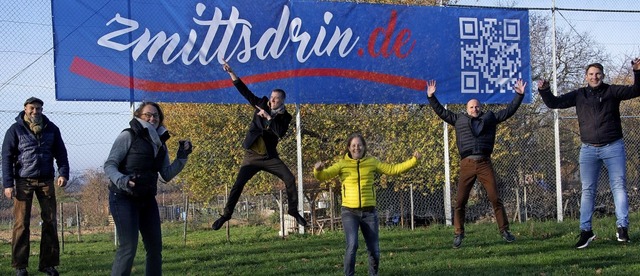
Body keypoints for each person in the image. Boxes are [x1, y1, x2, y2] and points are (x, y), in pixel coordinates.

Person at [538, 59, 640, 249]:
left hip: (613, 147)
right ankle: (586, 232)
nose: (594, 77)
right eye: (591, 74)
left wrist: (637, 71)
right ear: (586, 77)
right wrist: (544, 89)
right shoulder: (579, 95)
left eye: (598, 74)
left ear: (603, 76)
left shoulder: (612, 91)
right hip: (588, 150)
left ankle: (622, 228)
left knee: (618, 187)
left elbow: (636, 90)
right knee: (587, 191)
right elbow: (554, 103)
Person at [426, 79, 526, 248]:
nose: (475, 109)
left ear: (481, 108)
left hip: (484, 163)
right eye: (471, 107)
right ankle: (458, 233)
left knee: (495, 198)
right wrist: (431, 96)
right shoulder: (458, 120)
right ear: (467, 109)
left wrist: (519, 95)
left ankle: (505, 231)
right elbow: (441, 112)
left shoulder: (490, 118)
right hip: (466, 164)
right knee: (460, 201)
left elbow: (508, 111)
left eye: (477, 106)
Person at [212, 62, 307, 230]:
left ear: (282, 101)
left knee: (290, 178)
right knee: (238, 184)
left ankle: (293, 210)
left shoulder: (285, 117)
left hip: (270, 156)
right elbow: (245, 92)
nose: (272, 100)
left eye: (276, 99)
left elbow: (280, 133)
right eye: (271, 97)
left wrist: (269, 118)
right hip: (252, 155)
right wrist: (232, 73)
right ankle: (226, 215)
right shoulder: (262, 103)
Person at [104, 101, 192, 275]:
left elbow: (166, 174)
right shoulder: (128, 135)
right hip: (123, 197)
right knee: (128, 247)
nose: (152, 118)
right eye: (148, 115)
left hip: (146, 198)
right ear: (139, 116)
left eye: (156, 116)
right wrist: (123, 180)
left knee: (154, 248)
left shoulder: (161, 143)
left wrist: (182, 156)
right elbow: (109, 165)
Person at [313, 133, 420, 276]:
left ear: (364, 147)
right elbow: (324, 175)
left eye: (359, 145)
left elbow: (392, 170)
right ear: (349, 148)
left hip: (369, 212)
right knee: (352, 245)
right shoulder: (342, 165)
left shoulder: (372, 162)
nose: (356, 148)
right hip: (349, 212)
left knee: (374, 249)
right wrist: (318, 170)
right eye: (353, 146)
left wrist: (414, 161)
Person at [2, 97, 69, 276]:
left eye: (38, 109)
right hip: (23, 182)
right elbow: (6, 157)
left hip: (46, 181)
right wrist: (8, 184)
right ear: (25, 108)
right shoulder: (15, 130)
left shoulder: (52, 129)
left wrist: (63, 173)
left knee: (50, 222)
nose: (35, 112)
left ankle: (49, 264)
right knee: (21, 224)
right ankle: (20, 266)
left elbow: (61, 153)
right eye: (32, 108)